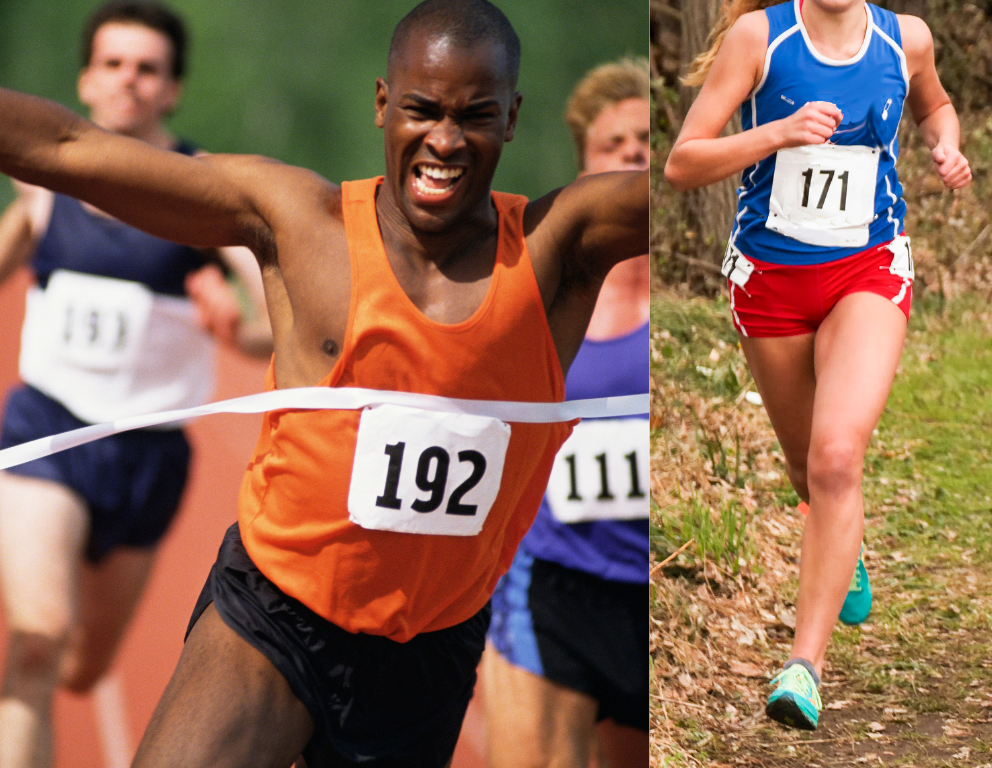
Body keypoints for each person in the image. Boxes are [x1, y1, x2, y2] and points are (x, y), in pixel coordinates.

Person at [0, 0, 647, 764]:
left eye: (474, 114)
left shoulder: (554, 249)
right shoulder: (303, 224)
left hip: (427, 653)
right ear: (382, 104)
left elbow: (693, 175)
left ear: (512, 117)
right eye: (421, 110)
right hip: (277, 614)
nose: (445, 139)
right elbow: (74, 145)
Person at [665, 0, 971, 731]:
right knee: (808, 469)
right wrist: (775, 132)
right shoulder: (760, 39)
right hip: (770, 280)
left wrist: (946, 144)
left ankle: (804, 664)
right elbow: (682, 163)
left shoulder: (907, 41)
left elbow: (938, 107)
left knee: (837, 458)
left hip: (866, 266)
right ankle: (841, 539)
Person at [0, 3, 269, 766]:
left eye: (147, 68)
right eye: (114, 64)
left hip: (147, 456)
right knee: (36, 645)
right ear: (86, 79)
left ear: (173, 89)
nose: (129, 81)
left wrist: (232, 324)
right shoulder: (42, 182)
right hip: (45, 432)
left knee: (85, 669)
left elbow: (273, 328)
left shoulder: (205, 191)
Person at [481, 57, 649, 768]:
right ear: (585, 167)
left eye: (650, 140)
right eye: (616, 145)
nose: (636, 155)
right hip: (550, 584)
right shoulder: (538, 288)